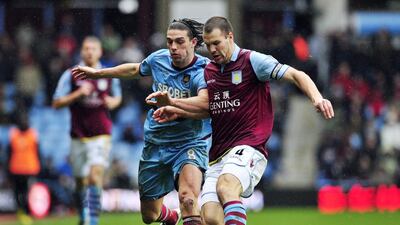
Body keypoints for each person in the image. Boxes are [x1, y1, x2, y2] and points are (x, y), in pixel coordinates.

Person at [149, 16, 335, 225]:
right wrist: (179, 111)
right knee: (210, 217)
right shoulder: (209, 71)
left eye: (217, 43)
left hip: (249, 146)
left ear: (230, 37)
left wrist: (317, 98)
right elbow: (211, 110)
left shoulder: (252, 61)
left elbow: (296, 74)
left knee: (226, 186)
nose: (212, 50)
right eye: (208, 45)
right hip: (218, 154)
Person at [72, 19, 211, 225]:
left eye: (179, 41)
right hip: (156, 143)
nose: (173, 47)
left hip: (188, 142)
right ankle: (170, 216)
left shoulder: (204, 70)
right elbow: (135, 69)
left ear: (194, 42)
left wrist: (171, 103)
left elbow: (205, 103)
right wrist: (100, 73)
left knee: (189, 199)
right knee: (149, 215)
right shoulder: (158, 59)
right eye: (169, 41)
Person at [52, 36, 122, 225]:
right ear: (81, 52)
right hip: (78, 135)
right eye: (86, 48)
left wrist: (112, 102)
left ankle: (93, 219)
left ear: (100, 52)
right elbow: (56, 102)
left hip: (101, 133)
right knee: (81, 181)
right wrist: (77, 94)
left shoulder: (107, 73)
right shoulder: (71, 74)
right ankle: (83, 214)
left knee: (95, 175)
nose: (89, 52)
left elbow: (118, 97)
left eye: (93, 48)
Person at [7, 112, 41, 225]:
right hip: (16, 168)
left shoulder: (33, 134)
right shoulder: (13, 134)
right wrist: (8, 168)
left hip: (30, 169)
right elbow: (9, 153)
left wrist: (39, 166)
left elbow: (38, 152)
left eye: (25, 120)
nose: (23, 122)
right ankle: (20, 211)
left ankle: (27, 212)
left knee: (28, 192)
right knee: (17, 192)